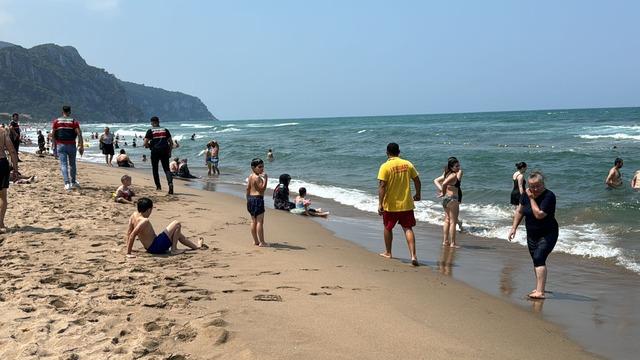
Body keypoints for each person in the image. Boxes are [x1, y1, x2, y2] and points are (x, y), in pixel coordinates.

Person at [508, 171, 558, 300]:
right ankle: (539, 287)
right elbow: (520, 211)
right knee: (536, 260)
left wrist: (531, 198)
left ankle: (540, 292)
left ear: (543, 184)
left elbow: (539, 214)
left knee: (538, 257)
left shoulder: (549, 196)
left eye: (538, 186)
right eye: (532, 186)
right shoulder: (525, 194)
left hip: (548, 233)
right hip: (531, 233)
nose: (535, 189)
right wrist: (514, 228)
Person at [377, 143, 421, 266]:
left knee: (387, 227)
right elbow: (417, 179)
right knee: (408, 228)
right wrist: (418, 194)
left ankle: (388, 252)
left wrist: (380, 203)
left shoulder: (385, 166)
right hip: (406, 204)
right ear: (399, 152)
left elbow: (382, 186)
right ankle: (413, 255)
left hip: (391, 205)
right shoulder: (407, 164)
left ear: (387, 153)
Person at [125, 197, 205, 257]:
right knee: (177, 223)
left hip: (153, 246)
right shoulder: (144, 221)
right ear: (149, 210)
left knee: (177, 234)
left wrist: (128, 247)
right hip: (156, 247)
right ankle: (174, 250)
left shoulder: (134, 215)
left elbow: (129, 232)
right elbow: (132, 234)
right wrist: (128, 253)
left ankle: (196, 247)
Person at [52, 105, 84, 190]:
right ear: (70, 112)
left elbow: (53, 135)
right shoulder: (74, 122)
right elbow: (79, 134)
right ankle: (73, 182)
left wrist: (54, 146)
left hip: (61, 145)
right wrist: (81, 145)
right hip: (71, 145)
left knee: (63, 164)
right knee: (72, 164)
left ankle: (67, 183)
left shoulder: (56, 122)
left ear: (62, 112)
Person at [433, 157, 463, 248]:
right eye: (456, 166)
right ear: (451, 167)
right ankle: (453, 243)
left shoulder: (446, 174)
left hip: (446, 199)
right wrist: (443, 191)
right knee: (453, 222)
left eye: (459, 165)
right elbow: (445, 183)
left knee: (447, 220)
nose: (458, 168)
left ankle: (445, 241)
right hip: (453, 199)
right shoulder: (453, 175)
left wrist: (443, 192)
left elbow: (436, 181)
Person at [144, 116, 174, 194]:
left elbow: (145, 143)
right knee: (167, 169)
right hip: (165, 151)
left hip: (155, 152)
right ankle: (170, 183)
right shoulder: (165, 130)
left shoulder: (150, 131)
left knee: (155, 169)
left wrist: (149, 146)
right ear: (158, 122)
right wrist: (170, 152)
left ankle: (158, 186)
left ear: (152, 122)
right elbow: (171, 143)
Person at [0, 126, 19, 233]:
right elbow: (12, 150)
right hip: (1, 163)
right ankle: (0, 223)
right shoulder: (2, 131)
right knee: (2, 196)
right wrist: (16, 170)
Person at [246, 158, 268, 247]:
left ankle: (255, 241)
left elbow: (248, 188)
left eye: (263, 167)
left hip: (251, 199)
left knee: (253, 221)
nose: (262, 169)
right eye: (260, 167)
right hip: (257, 199)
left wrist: (247, 198)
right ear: (253, 168)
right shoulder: (257, 178)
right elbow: (262, 189)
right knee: (260, 221)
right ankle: (262, 242)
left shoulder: (250, 176)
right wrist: (266, 179)